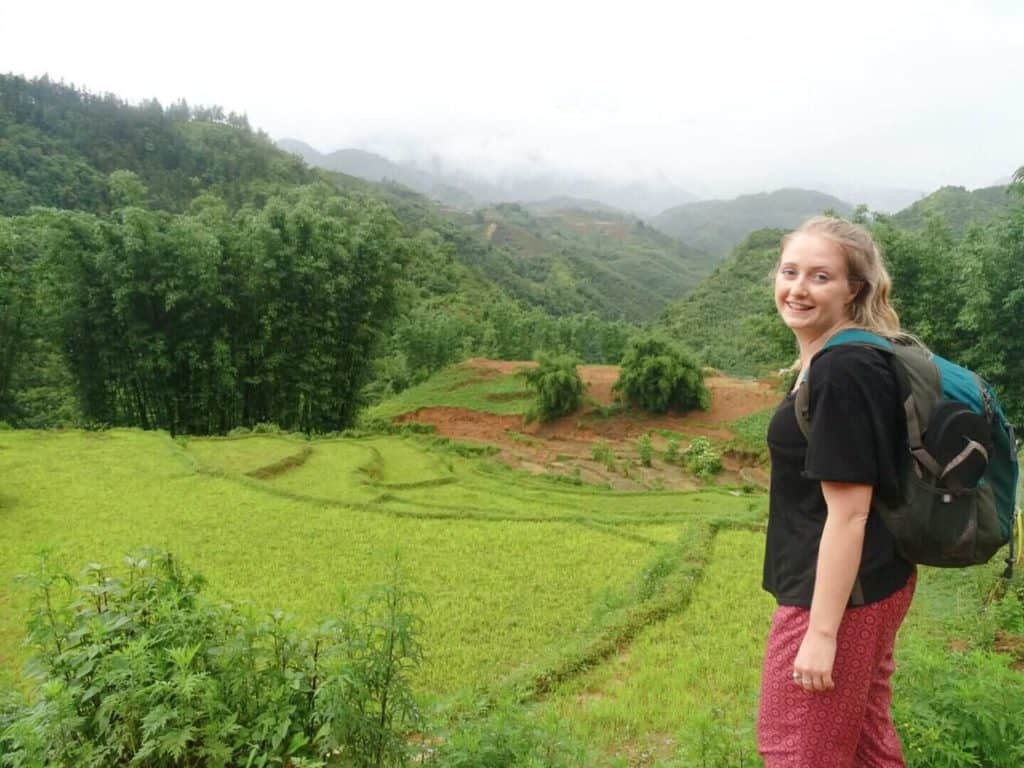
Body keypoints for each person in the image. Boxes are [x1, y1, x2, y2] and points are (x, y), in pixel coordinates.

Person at [757, 216, 916, 767]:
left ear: (855, 289)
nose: (798, 288)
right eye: (789, 271)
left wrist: (822, 635)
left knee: (796, 750)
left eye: (820, 277)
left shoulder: (843, 370)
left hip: (835, 596)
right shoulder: (838, 356)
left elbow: (849, 514)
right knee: (866, 746)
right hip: (872, 581)